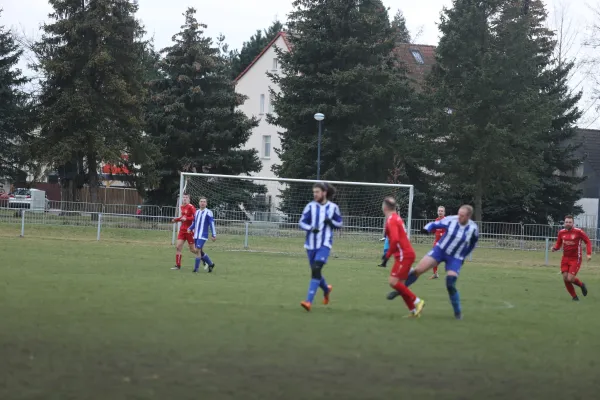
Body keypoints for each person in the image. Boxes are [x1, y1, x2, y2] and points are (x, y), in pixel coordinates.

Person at [397, 205, 479, 320]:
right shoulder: (452, 220)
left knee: (450, 283)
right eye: (458, 214)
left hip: (454, 257)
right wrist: (426, 229)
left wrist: (462, 256)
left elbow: (472, 244)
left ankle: (458, 313)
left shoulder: (473, 229)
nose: (458, 217)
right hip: (440, 251)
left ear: (468, 216)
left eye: (462, 215)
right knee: (418, 270)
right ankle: (400, 289)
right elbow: (434, 224)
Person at [299, 182, 343, 312]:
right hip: (310, 245)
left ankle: (308, 301)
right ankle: (326, 289)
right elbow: (301, 222)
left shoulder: (333, 207)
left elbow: (340, 223)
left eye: (317, 192)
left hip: (324, 244)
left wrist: (331, 222)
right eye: (314, 192)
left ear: (324, 193)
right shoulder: (310, 206)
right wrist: (311, 228)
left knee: (316, 268)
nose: (315, 194)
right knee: (315, 271)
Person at [380, 197, 425, 317]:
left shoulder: (391, 219)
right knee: (401, 285)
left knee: (393, 281)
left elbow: (394, 240)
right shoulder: (397, 218)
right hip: (406, 254)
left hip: (403, 256)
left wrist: (387, 255)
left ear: (384, 207)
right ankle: (413, 311)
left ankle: (418, 301)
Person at [552, 215, 591, 301]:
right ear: (564, 223)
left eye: (570, 222)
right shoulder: (561, 232)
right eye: (566, 222)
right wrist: (555, 248)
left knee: (570, 278)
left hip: (575, 258)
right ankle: (574, 297)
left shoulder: (579, 232)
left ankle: (581, 285)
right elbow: (559, 243)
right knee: (565, 278)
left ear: (573, 223)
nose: (568, 224)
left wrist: (588, 254)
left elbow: (588, 241)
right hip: (565, 258)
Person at [188, 197, 217, 273]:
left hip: (203, 235)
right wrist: (190, 228)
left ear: (206, 203)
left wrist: (214, 234)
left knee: (197, 250)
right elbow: (194, 223)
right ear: (199, 203)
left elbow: (211, 223)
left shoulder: (208, 212)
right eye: (201, 201)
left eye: (204, 201)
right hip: (196, 235)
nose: (202, 203)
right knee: (199, 251)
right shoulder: (196, 212)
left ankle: (196, 269)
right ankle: (210, 264)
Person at [171, 194, 197, 270]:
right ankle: (178, 265)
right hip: (182, 230)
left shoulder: (191, 207)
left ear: (189, 199)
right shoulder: (182, 206)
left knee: (192, 250)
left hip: (189, 230)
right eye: (184, 197)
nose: (185, 199)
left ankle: (202, 257)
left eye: (186, 197)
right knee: (178, 247)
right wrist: (176, 220)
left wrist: (187, 219)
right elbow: (183, 217)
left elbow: (195, 217)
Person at [429, 206, 447, 279]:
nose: (440, 212)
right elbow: (435, 231)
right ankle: (435, 273)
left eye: (441, 211)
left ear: (444, 212)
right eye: (439, 211)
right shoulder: (436, 220)